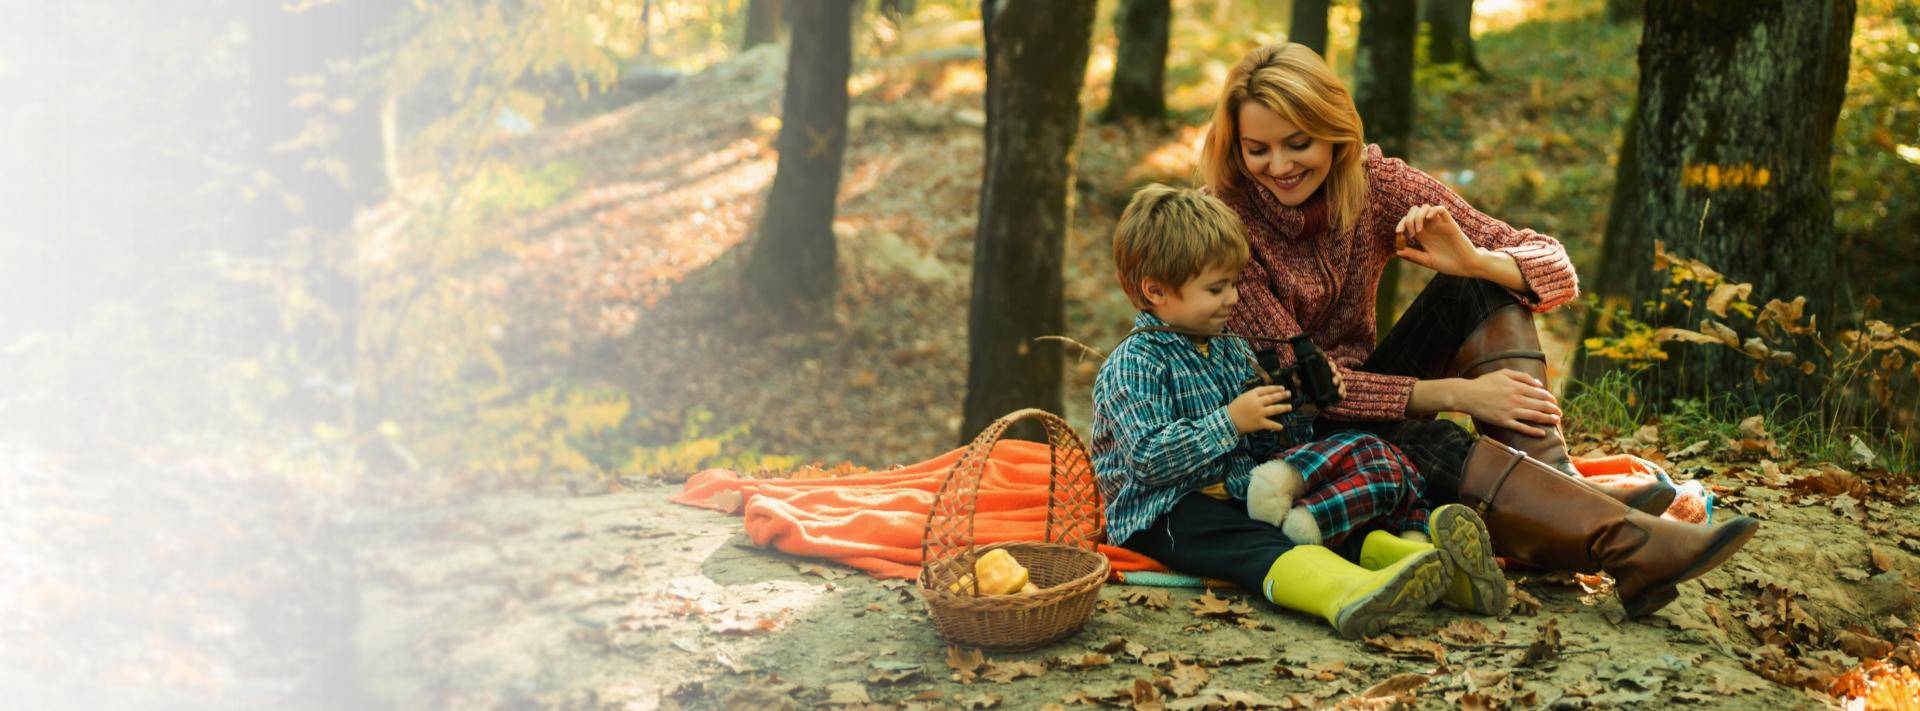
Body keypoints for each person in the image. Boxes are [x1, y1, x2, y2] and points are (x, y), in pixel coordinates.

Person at [1195, 42, 1757, 618]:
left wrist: (1474, 261)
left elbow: (1551, 264)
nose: (1280, 166)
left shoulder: (1377, 184)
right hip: (1287, 435)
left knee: (1481, 284)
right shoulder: (1224, 222)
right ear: (1235, 147)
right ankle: (1628, 545)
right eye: (1257, 149)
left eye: (1298, 143)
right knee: (1432, 443)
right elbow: (1300, 384)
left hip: (1368, 395)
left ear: (1335, 133)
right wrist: (1456, 395)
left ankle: (1556, 483)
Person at [1089, 184, 1507, 638]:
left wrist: (1303, 406)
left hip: (1238, 490)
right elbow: (1148, 460)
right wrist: (1229, 421)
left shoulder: (1229, 350)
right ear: (1156, 291)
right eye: (1216, 288)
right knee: (1246, 541)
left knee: (1352, 465)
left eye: (1233, 283)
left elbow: (1270, 444)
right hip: (1164, 511)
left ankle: (1421, 564)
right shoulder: (1135, 362)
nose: (1232, 298)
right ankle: (1344, 593)